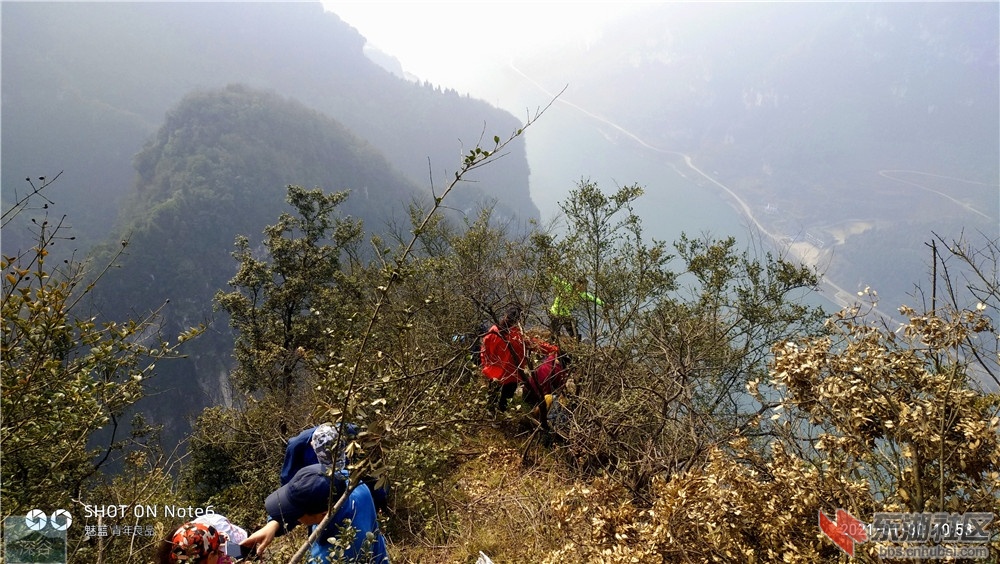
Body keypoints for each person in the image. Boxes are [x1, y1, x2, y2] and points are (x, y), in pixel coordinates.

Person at [242, 463, 389, 563]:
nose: (294, 516)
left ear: (324, 515)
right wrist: (273, 524)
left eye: (296, 513)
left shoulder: (334, 553)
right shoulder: (348, 483)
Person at [480, 304, 556, 412]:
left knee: (492, 398)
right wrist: (554, 349)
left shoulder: (493, 330)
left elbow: (484, 350)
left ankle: (489, 416)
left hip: (494, 372)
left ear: (505, 315)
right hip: (511, 375)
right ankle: (500, 420)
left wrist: (485, 366)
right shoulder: (518, 336)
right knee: (504, 402)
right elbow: (536, 345)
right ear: (518, 321)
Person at [154, 513, 247, 564]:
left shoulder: (178, 557)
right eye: (218, 552)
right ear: (211, 556)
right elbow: (239, 553)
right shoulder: (224, 558)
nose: (221, 554)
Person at [549, 276, 604, 341]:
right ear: (579, 284)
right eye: (584, 286)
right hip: (555, 312)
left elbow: (592, 298)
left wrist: (603, 304)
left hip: (566, 314)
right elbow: (556, 279)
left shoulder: (581, 294)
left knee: (574, 334)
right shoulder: (567, 286)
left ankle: (577, 344)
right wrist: (550, 272)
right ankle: (552, 345)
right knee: (554, 333)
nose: (585, 288)